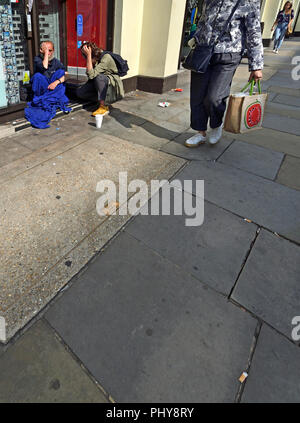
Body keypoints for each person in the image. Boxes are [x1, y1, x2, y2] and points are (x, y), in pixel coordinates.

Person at [185, 0, 263, 148]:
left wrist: (256, 66)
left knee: (215, 97)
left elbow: (254, 31)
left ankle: (216, 124)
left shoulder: (249, 1)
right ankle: (200, 132)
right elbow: (200, 14)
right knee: (197, 95)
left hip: (229, 53)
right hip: (203, 50)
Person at [25, 41, 71, 129]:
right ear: (41, 51)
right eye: (46, 50)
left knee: (61, 73)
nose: (48, 53)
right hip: (43, 89)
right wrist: (46, 54)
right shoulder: (37, 59)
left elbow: (66, 74)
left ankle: (49, 98)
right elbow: (44, 67)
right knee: (37, 76)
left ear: (53, 51)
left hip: (52, 88)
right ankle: (47, 98)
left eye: (50, 50)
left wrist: (56, 82)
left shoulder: (56, 61)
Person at [76, 42, 124, 116]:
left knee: (99, 77)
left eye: (86, 52)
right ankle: (103, 99)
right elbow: (89, 75)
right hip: (102, 85)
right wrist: (89, 59)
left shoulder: (106, 57)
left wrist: (88, 56)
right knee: (80, 93)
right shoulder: (94, 58)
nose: (85, 55)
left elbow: (91, 75)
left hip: (112, 84)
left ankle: (104, 107)